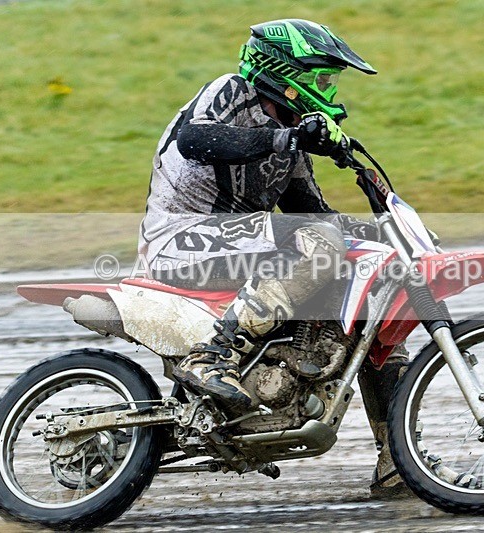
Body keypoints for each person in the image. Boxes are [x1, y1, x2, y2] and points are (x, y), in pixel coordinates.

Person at [138, 18, 409, 496]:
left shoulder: (290, 140)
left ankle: (398, 458)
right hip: (180, 240)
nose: (328, 89)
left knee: (369, 278)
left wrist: (385, 231)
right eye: (321, 78)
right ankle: (211, 356)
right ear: (285, 72)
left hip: (240, 246)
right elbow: (195, 140)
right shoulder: (231, 92)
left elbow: (312, 213)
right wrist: (290, 139)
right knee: (322, 245)